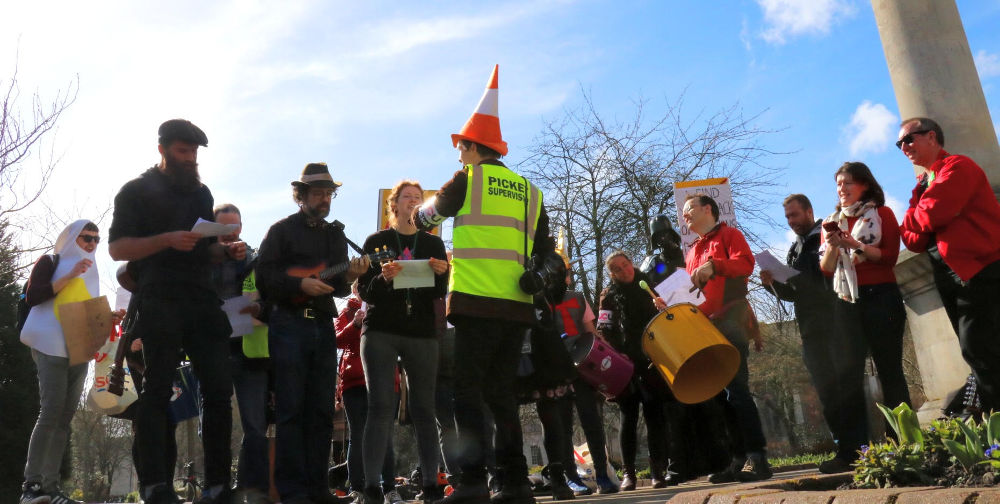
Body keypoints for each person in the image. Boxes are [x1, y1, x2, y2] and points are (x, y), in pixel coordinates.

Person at [413, 65, 553, 504]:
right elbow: (546, 252)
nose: (459, 157)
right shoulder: (531, 192)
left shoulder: (466, 180)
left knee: (467, 393)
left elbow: (425, 218)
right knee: (503, 394)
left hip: (475, 304)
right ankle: (515, 484)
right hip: (516, 307)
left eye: (461, 149)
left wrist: (419, 208)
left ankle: (473, 482)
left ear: (474, 147)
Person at [109, 119, 245, 504]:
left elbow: (205, 249)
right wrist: (166, 240)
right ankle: (155, 486)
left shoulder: (201, 193)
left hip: (202, 299)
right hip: (159, 298)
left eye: (194, 153)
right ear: (162, 150)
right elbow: (117, 249)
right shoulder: (135, 191)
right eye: (183, 151)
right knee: (157, 390)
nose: (190, 159)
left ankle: (218, 486)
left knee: (218, 390)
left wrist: (225, 250)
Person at [255, 162, 370, 504]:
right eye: (318, 193)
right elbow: (263, 277)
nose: (324, 199)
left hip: (322, 325)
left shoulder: (335, 235)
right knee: (291, 409)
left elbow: (338, 287)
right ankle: (292, 493)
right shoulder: (280, 231)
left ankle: (319, 490)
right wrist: (299, 284)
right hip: (287, 325)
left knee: (321, 411)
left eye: (329, 194)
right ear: (301, 196)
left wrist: (351, 275)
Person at [896, 117, 1000, 414]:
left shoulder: (958, 166)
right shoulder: (922, 186)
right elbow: (912, 239)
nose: (904, 147)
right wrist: (921, 214)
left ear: (932, 137)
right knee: (977, 352)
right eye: (899, 144)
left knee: (980, 350)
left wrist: (918, 216)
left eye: (909, 139)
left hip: (979, 271)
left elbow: (932, 214)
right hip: (948, 276)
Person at [354, 180, 449, 504]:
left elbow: (439, 293)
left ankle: (431, 484)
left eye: (418, 198)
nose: (413, 202)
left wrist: (442, 272)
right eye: (407, 197)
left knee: (424, 408)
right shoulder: (376, 241)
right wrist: (383, 278)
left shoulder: (433, 243)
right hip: (381, 331)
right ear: (393, 205)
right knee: (381, 407)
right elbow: (365, 292)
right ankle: (372, 487)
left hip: (421, 333)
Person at [19, 220, 118, 504]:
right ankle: (31, 486)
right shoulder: (51, 261)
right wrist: (71, 274)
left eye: (96, 239)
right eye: (86, 237)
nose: (91, 244)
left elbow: (85, 310)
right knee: (50, 412)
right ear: (72, 237)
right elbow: (33, 296)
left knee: (64, 418)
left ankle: (51, 488)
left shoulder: (93, 271)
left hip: (78, 348)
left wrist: (108, 318)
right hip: (49, 345)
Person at [761, 194, 859, 473]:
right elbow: (794, 294)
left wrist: (796, 279)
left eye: (794, 215)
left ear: (809, 211)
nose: (791, 221)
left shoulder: (824, 237)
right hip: (809, 329)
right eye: (787, 217)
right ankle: (844, 449)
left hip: (833, 322)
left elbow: (822, 279)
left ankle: (854, 447)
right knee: (826, 391)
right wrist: (771, 283)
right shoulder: (795, 248)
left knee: (842, 389)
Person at [681, 193, 771, 483]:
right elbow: (690, 294)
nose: (684, 215)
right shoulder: (691, 253)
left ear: (708, 209)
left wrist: (715, 265)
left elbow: (745, 265)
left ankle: (758, 459)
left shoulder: (730, 235)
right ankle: (738, 460)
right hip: (704, 329)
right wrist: (669, 302)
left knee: (738, 392)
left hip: (731, 321)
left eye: (689, 208)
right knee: (721, 398)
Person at [819, 163, 911, 439]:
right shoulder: (831, 221)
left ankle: (902, 441)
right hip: (847, 299)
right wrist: (834, 245)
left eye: (848, 182)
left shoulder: (882, 214)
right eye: (838, 184)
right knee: (848, 374)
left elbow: (889, 257)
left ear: (865, 184)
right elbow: (826, 268)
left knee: (890, 370)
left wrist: (855, 245)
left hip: (881, 297)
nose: (842, 189)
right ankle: (855, 447)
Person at [210, 204, 272, 504]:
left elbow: (272, 301)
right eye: (223, 228)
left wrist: (260, 311)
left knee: (256, 425)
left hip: (251, 351)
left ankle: (252, 489)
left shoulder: (256, 259)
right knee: (213, 425)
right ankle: (217, 488)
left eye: (235, 227)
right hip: (212, 350)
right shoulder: (201, 262)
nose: (230, 233)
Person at [597, 251, 672, 491]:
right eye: (617, 269)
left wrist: (662, 307)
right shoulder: (608, 296)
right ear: (612, 274)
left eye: (625, 264)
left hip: (652, 358)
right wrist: (619, 353)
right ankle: (629, 474)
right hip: (625, 363)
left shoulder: (650, 285)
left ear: (632, 264)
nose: (624, 270)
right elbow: (604, 328)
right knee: (627, 417)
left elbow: (669, 317)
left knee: (655, 415)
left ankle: (657, 471)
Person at [549, 242, 617, 496]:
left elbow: (591, 335)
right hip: (557, 371)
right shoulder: (542, 301)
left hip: (580, 370)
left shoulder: (576, 298)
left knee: (590, 423)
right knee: (563, 426)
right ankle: (572, 477)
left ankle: (601, 474)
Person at [335, 281, 397, 501]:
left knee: (385, 435)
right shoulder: (347, 312)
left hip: (383, 377)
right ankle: (357, 489)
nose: (362, 291)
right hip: (355, 381)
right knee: (358, 434)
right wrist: (354, 324)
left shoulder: (388, 306)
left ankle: (389, 488)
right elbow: (338, 340)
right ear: (354, 290)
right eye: (358, 287)